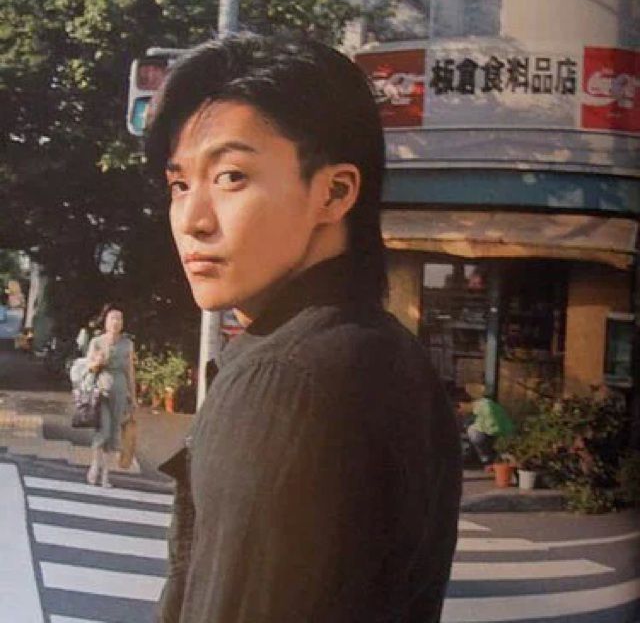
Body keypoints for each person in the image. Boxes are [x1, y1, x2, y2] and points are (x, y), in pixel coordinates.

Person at [146, 34, 462, 623]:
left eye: (231, 176)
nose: (192, 219)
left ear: (334, 193)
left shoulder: (284, 381)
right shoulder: (390, 353)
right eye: (180, 184)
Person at [85, 305, 137, 488]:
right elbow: (89, 366)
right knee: (103, 430)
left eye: (119, 320)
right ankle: (94, 466)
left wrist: (133, 396)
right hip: (102, 390)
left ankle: (106, 475)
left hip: (120, 391)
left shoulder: (127, 344)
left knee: (114, 433)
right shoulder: (97, 342)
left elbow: (130, 371)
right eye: (112, 319)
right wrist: (98, 362)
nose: (115, 323)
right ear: (106, 323)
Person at [463, 383, 513, 466]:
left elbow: (483, 426)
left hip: (494, 432)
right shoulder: (489, 403)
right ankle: (491, 457)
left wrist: (467, 425)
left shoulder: (479, 406)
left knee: (472, 431)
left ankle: (485, 459)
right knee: (473, 430)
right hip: (502, 432)